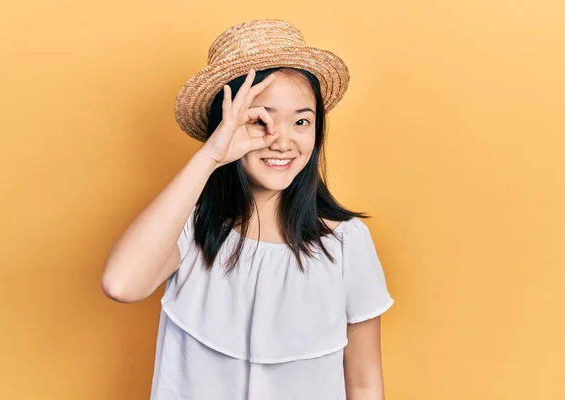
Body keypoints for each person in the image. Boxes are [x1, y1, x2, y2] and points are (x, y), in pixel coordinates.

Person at [102, 19, 394, 400]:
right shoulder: (190, 230)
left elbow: (364, 382)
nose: (283, 141)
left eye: (302, 121)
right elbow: (121, 284)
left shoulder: (346, 243)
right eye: (260, 120)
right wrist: (211, 156)